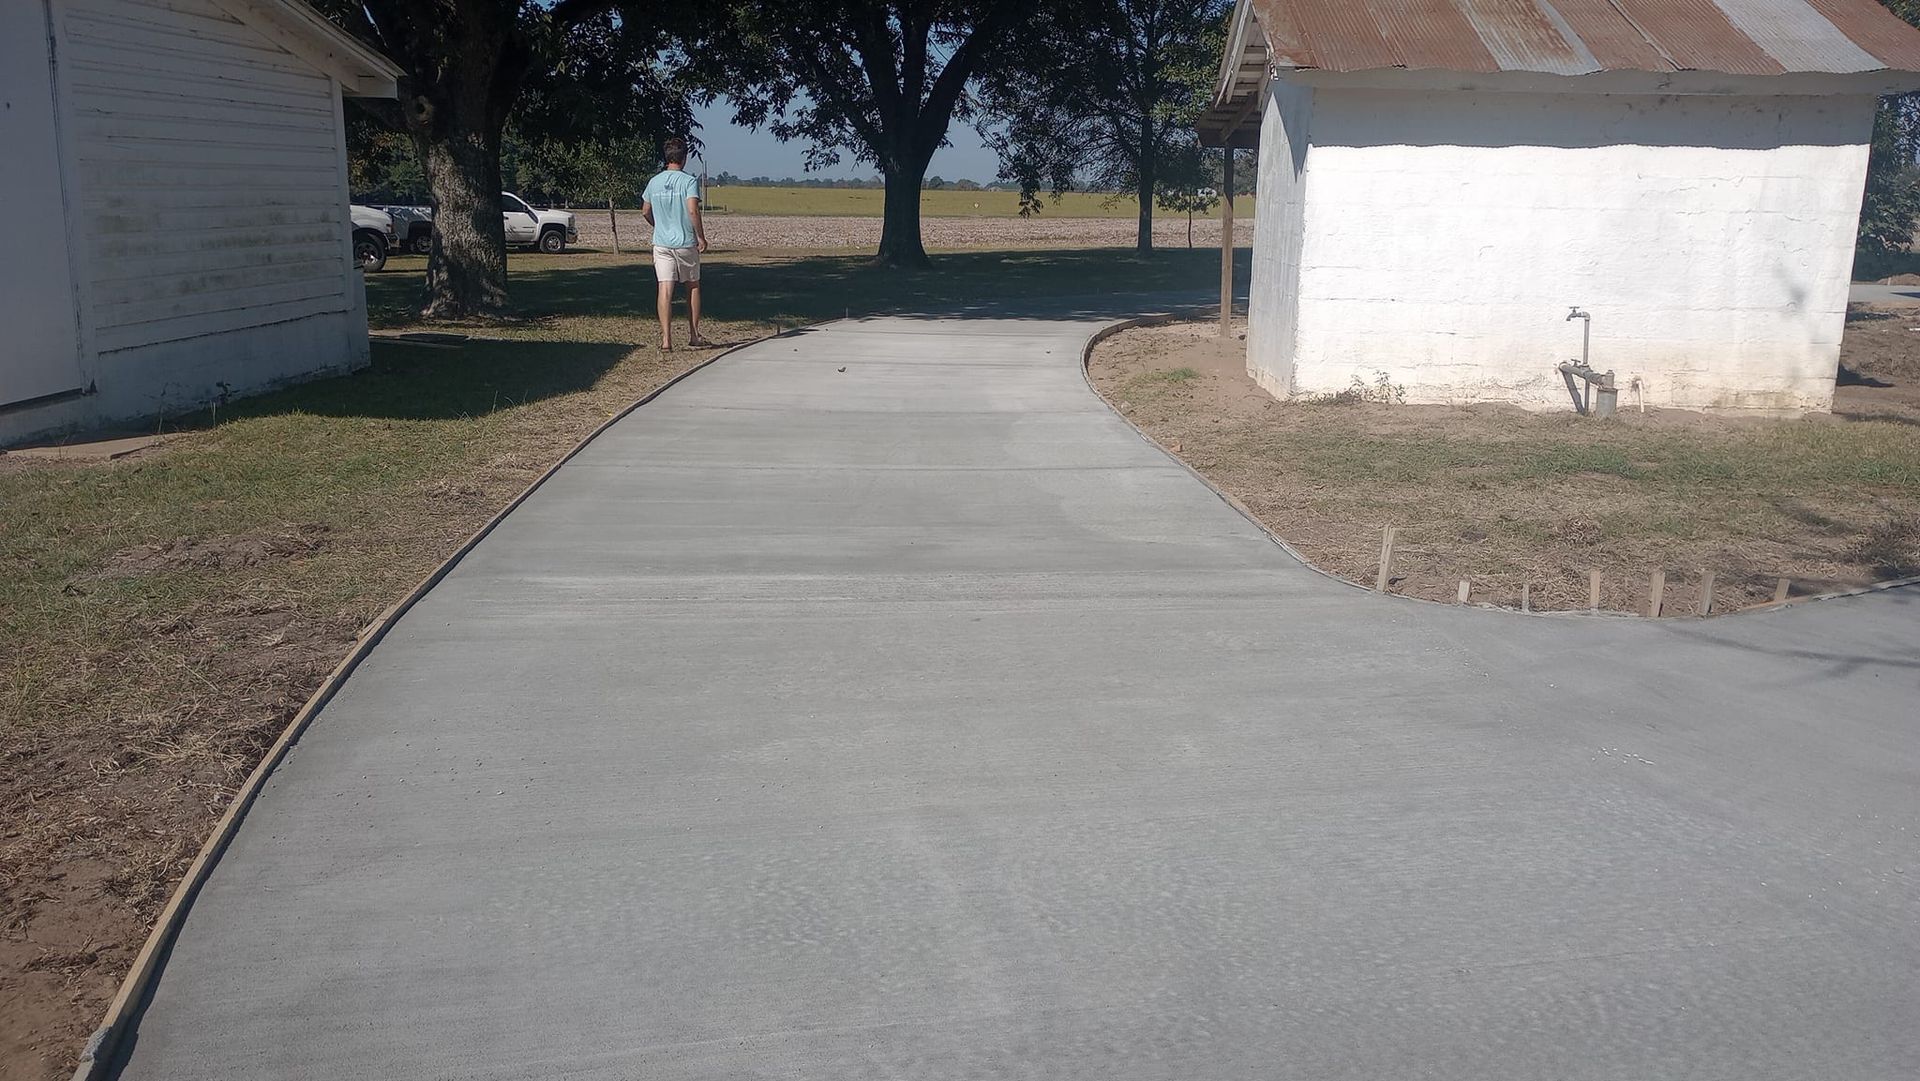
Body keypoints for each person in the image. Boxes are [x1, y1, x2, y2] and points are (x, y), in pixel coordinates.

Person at [640, 138, 709, 350]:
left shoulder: (654, 182)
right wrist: (701, 236)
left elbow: (645, 210)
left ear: (666, 157)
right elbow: (692, 210)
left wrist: (657, 225)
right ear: (684, 157)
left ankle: (666, 339)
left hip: (661, 243)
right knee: (693, 286)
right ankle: (694, 335)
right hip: (685, 242)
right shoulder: (688, 181)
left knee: (665, 289)